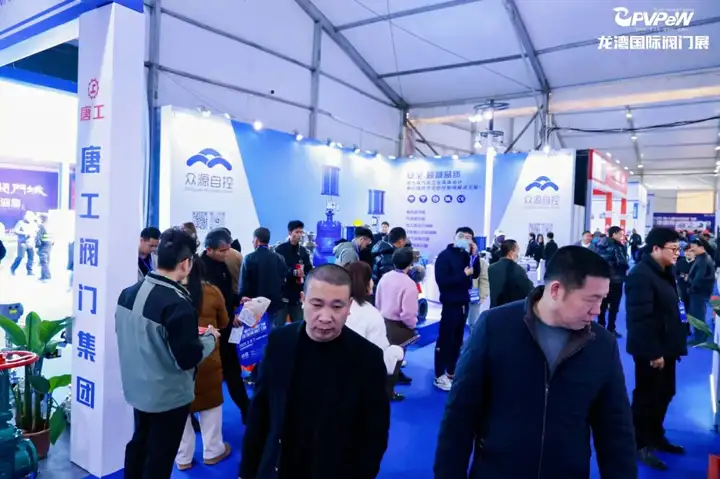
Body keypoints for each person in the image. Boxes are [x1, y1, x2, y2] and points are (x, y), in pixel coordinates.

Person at [434, 245, 637, 478]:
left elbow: (615, 429)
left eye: (602, 299)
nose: (597, 311)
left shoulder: (601, 344)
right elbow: (460, 414)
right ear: (556, 290)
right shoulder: (495, 327)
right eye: (591, 300)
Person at [239, 264, 390, 479]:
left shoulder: (368, 359)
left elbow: (374, 435)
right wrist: (246, 472)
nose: (325, 317)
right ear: (303, 300)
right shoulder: (279, 342)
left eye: (337, 306)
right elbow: (260, 415)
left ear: (349, 306)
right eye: (317, 304)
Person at [116, 227, 220, 479]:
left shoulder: (128, 293)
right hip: (167, 397)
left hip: (137, 388)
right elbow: (188, 359)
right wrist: (209, 339)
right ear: (185, 263)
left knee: (139, 444)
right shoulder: (178, 305)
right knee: (160, 457)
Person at [625, 227, 688, 470]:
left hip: (668, 345)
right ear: (656, 248)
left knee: (666, 392)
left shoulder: (666, 271)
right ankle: (639, 443)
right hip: (651, 349)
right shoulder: (641, 275)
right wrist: (653, 352)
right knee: (647, 397)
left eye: (678, 248)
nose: (677, 253)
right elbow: (639, 318)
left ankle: (656, 435)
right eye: (673, 249)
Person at [176, 260, 231, 470]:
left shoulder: (172, 292)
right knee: (211, 405)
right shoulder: (212, 291)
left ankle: (183, 457)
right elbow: (224, 322)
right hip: (208, 357)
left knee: (181, 409)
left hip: (179, 358)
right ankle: (213, 451)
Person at [199, 228, 250, 422]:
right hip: (208, 331)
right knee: (204, 376)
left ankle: (246, 409)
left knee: (232, 370)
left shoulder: (223, 265)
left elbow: (226, 294)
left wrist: (238, 300)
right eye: (222, 251)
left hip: (226, 327)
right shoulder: (199, 269)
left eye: (228, 249)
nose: (226, 254)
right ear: (209, 249)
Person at [345, 261, 405, 401]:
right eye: (370, 278)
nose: (372, 282)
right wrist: (395, 353)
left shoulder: (340, 306)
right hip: (364, 385)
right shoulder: (369, 313)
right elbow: (377, 357)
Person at [433, 227, 481, 391]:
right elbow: (442, 281)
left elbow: (475, 274)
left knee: (458, 339)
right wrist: (463, 274)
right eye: (463, 236)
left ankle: (451, 371)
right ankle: (439, 375)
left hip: (464, 303)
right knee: (445, 339)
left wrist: (475, 256)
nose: (467, 240)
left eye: (470, 237)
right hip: (450, 304)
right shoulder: (444, 256)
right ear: (455, 237)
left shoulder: (466, 255)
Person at [376, 247, 419, 386]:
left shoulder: (385, 277)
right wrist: (412, 325)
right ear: (410, 263)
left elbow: (378, 301)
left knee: (384, 359)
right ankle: (389, 391)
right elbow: (408, 314)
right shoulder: (409, 284)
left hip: (382, 323)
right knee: (394, 362)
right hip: (399, 327)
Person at [239, 227, 287, 328]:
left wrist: (242, 298)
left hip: (254, 305)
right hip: (273, 304)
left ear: (256, 240)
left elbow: (243, 284)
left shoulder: (249, 258)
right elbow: (283, 280)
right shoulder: (279, 258)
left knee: (255, 332)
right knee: (271, 331)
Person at [274, 220, 313, 324]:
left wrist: (305, 273)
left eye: (301, 232)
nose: (299, 235)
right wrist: (293, 272)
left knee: (299, 325)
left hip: (297, 294)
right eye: (297, 232)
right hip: (283, 294)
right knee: (278, 325)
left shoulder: (303, 251)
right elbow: (278, 270)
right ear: (290, 233)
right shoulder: (280, 249)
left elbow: (309, 268)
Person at [596, 225, 629, 337]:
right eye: (620, 234)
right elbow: (622, 262)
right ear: (613, 234)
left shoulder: (599, 245)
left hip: (602, 278)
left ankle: (600, 327)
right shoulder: (617, 246)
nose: (621, 236)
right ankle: (611, 329)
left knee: (602, 305)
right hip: (616, 279)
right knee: (614, 306)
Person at [488, 239, 534, 308]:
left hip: (494, 309)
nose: (518, 255)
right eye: (517, 251)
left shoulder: (491, 269)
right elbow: (529, 290)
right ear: (511, 253)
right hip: (512, 310)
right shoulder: (518, 270)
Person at [687, 238, 716, 342]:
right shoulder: (703, 257)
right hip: (701, 291)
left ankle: (700, 338)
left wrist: (691, 288)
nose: (691, 249)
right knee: (698, 313)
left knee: (698, 315)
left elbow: (699, 277)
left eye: (693, 247)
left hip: (699, 291)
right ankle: (700, 336)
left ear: (701, 247)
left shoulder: (703, 260)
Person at [11, 211, 37, 276]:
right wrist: (25, 234)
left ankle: (29, 271)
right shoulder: (20, 223)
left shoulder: (34, 224)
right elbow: (15, 231)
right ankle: (12, 268)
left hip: (31, 243)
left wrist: (34, 235)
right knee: (20, 257)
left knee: (31, 257)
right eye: (28, 216)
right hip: (22, 243)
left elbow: (36, 232)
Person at [675, 243, 694, 308]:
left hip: (695, 289)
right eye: (686, 251)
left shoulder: (698, 262)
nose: (688, 253)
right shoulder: (680, 262)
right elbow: (676, 274)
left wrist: (690, 276)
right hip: (682, 287)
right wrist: (683, 276)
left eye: (690, 251)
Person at [35, 214, 53, 281]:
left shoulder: (41, 226)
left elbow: (38, 237)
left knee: (43, 261)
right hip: (49, 245)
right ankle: (43, 276)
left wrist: (37, 246)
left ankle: (47, 276)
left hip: (43, 245)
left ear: (41, 219)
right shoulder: (49, 226)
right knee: (46, 261)